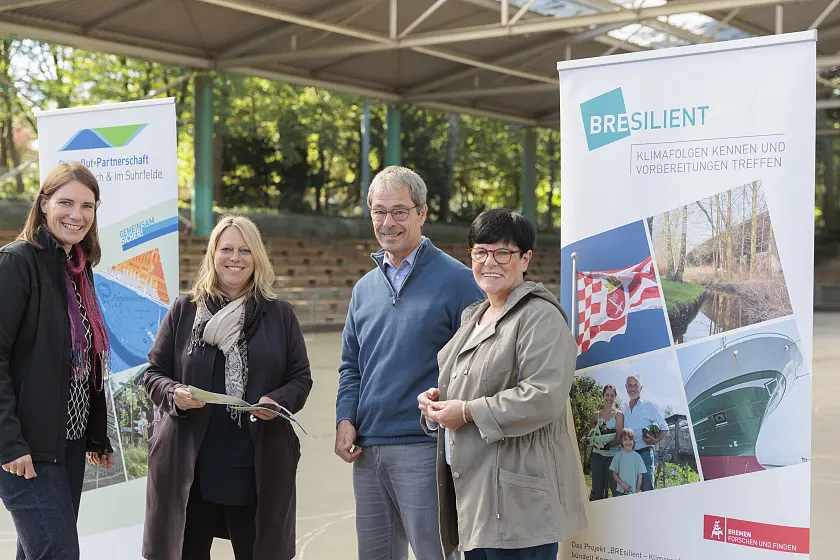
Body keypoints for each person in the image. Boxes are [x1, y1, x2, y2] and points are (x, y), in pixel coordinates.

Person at [418, 208, 587, 559]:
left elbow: (543, 396)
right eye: (481, 252)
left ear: (525, 259)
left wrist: (466, 411)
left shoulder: (539, 316)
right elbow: (470, 384)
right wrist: (437, 402)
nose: (489, 262)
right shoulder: (474, 317)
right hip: (477, 497)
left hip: (519, 506)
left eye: (503, 253)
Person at [142, 215, 313, 560]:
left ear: (257, 258)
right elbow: (154, 373)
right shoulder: (185, 310)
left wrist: (276, 401)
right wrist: (174, 394)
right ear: (213, 254)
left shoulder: (279, 314)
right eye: (227, 249)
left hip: (254, 469)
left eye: (245, 250)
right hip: (191, 469)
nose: (235, 258)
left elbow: (300, 378)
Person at [335, 166, 484, 560]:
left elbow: (478, 363)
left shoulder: (459, 281)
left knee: (437, 555)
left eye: (399, 211)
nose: (388, 222)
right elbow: (351, 366)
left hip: (425, 448)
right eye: (379, 211)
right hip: (368, 449)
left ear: (422, 213)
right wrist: (345, 418)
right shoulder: (364, 289)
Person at [0, 162, 115, 559]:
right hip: (27, 447)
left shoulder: (79, 271)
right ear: (44, 204)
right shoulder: (16, 262)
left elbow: (85, 362)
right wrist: (9, 443)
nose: (76, 214)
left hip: (69, 443)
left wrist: (95, 433)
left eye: (87, 205)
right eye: (65, 202)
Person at [622, 374, 668, 491]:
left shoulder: (648, 406)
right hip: (628, 455)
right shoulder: (624, 408)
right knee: (631, 490)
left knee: (647, 489)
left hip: (644, 453)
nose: (632, 389)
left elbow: (664, 427)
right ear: (626, 387)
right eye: (630, 386)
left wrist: (655, 440)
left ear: (641, 388)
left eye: (635, 385)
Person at [589, 385, 624, 500]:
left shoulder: (618, 415)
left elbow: (619, 437)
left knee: (616, 492)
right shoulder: (596, 415)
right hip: (597, 457)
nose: (609, 398)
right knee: (597, 493)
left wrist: (607, 445)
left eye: (612, 395)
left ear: (615, 397)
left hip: (613, 458)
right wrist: (596, 442)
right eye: (607, 395)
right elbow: (593, 435)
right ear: (603, 396)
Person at [610, 428, 647, 496]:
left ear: (634, 441)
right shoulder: (618, 456)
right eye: (625, 439)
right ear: (621, 441)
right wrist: (623, 484)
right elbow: (614, 475)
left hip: (633, 492)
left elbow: (640, 476)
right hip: (620, 491)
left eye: (630, 439)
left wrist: (637, 490)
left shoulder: (637, 457)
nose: (628, 442)